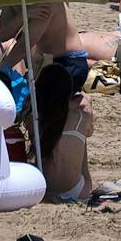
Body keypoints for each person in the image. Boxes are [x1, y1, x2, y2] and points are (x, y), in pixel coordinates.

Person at [35, 61, 93, 203]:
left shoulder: (36, 116)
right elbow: (90, 132)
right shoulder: (80, 115)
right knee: (82, 137)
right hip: (77, 190)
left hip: (44, 186)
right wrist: (86, 101)